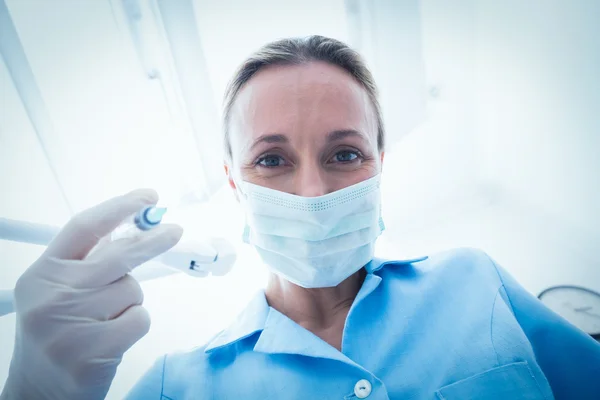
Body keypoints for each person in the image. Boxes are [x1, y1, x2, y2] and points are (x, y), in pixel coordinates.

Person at [2, 36, 599, 400]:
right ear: (235, 184)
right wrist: (36, 392)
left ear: (379, 167)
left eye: (345, 154)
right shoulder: (175, 385)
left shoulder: (476, 281)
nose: (312, 191)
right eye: (271, 159)